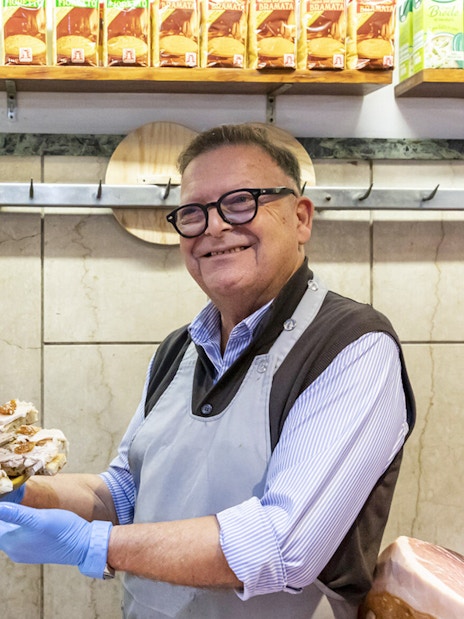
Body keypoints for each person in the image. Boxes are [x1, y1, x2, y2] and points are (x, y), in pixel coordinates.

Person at [0, 123, 415, 619]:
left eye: (241, 202)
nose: (214, 227)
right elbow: (128, 493)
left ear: (300, 217)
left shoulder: (351, 345)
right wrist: (19, 489)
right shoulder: (178, 350)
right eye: (193, 213)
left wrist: (95, 545)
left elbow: (282, 544)